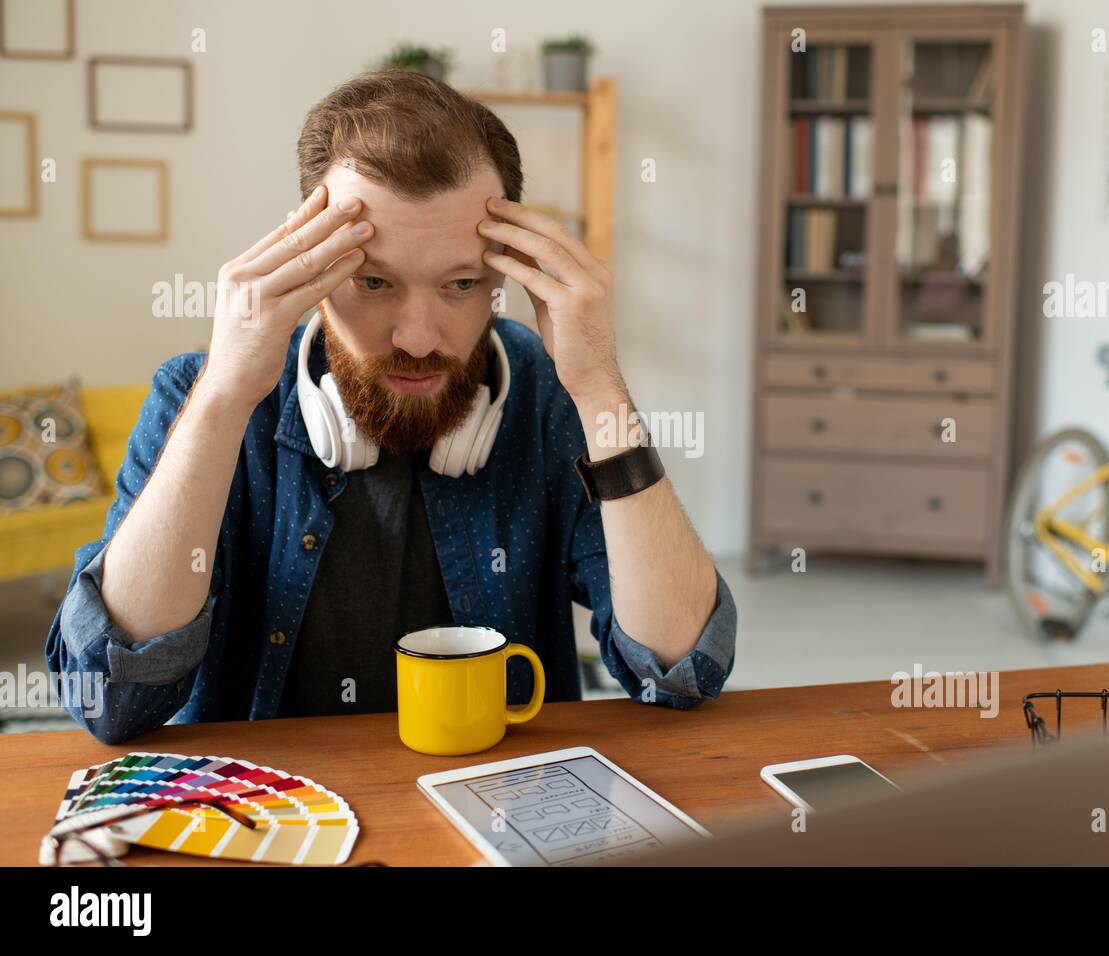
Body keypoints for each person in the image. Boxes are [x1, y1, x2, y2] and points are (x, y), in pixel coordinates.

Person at [46, 70, 736, 744]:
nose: (416, 338)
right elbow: (111, 695)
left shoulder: (552, 398)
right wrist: (224, 399)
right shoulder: (200, 393)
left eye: (462, 283)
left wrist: (601, 390)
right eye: (373, 281)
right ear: (309, 261)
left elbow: (679, 672)